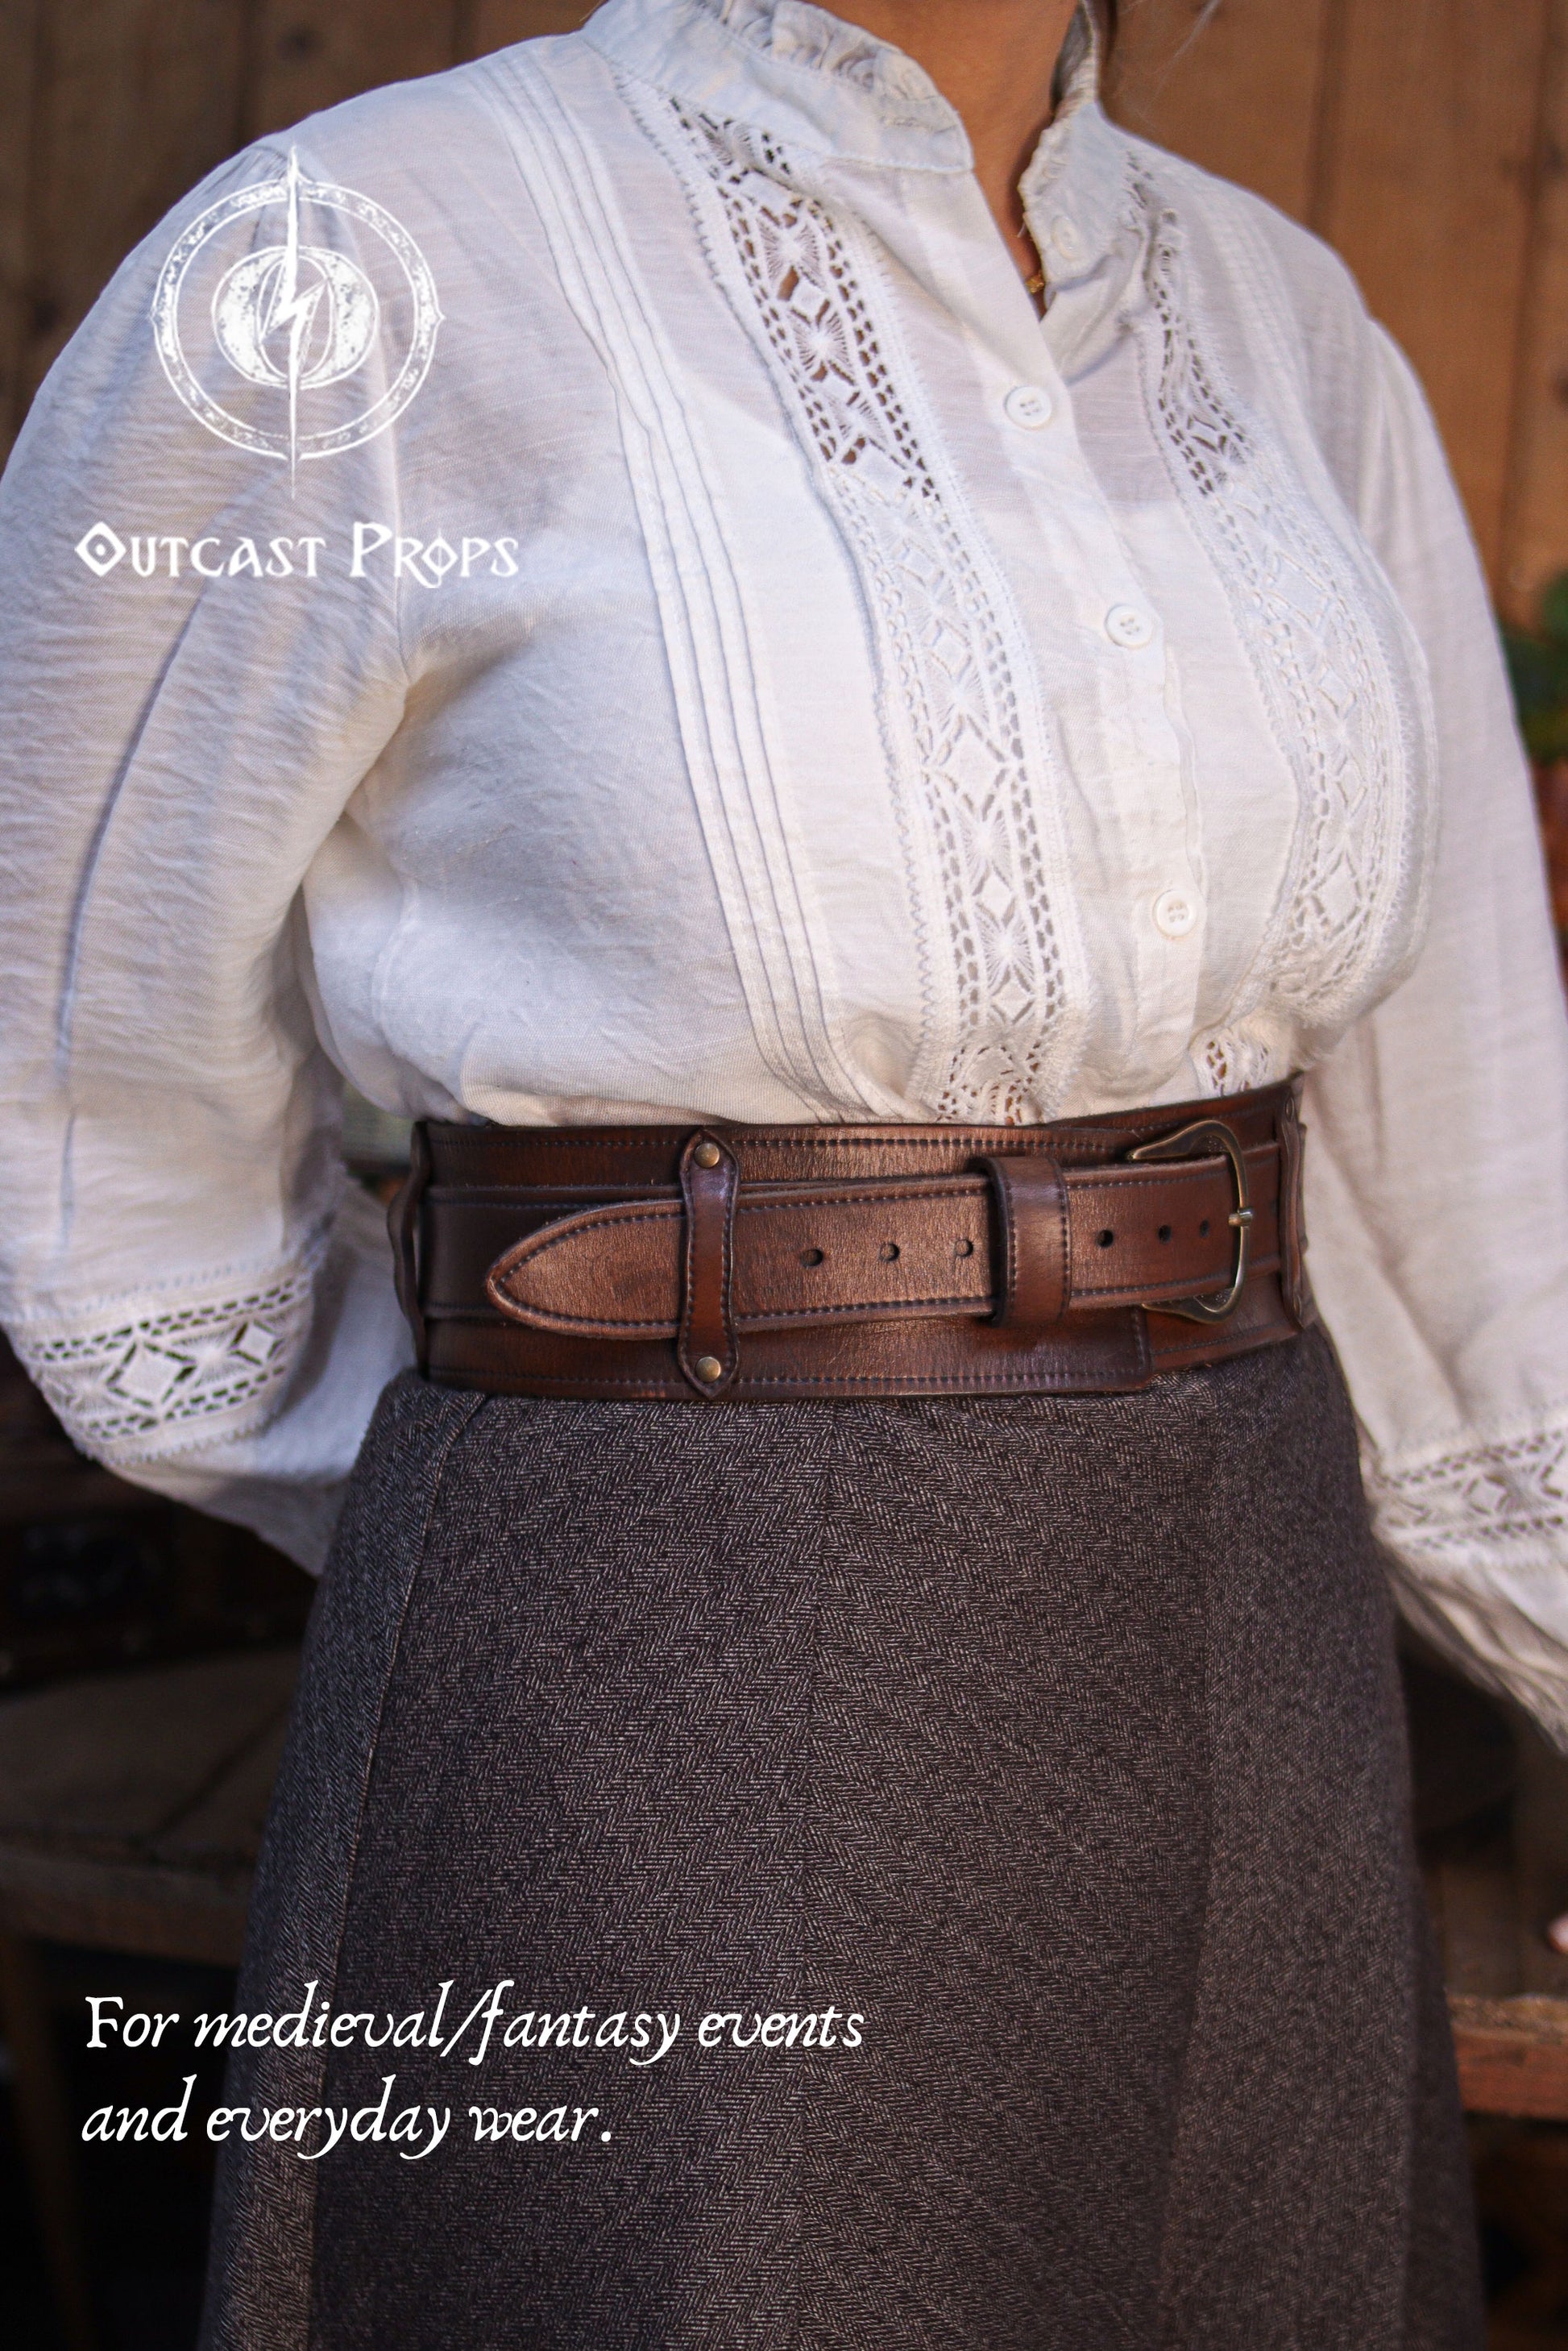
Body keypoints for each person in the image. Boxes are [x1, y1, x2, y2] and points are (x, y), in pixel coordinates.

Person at [0, 0, 1561, 2339]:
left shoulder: (1276, 317)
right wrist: (520, 1500)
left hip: (1246, 1611)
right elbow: (66, 1048)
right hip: (660, 1627)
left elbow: (1456, 1125)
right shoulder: (362, 259)